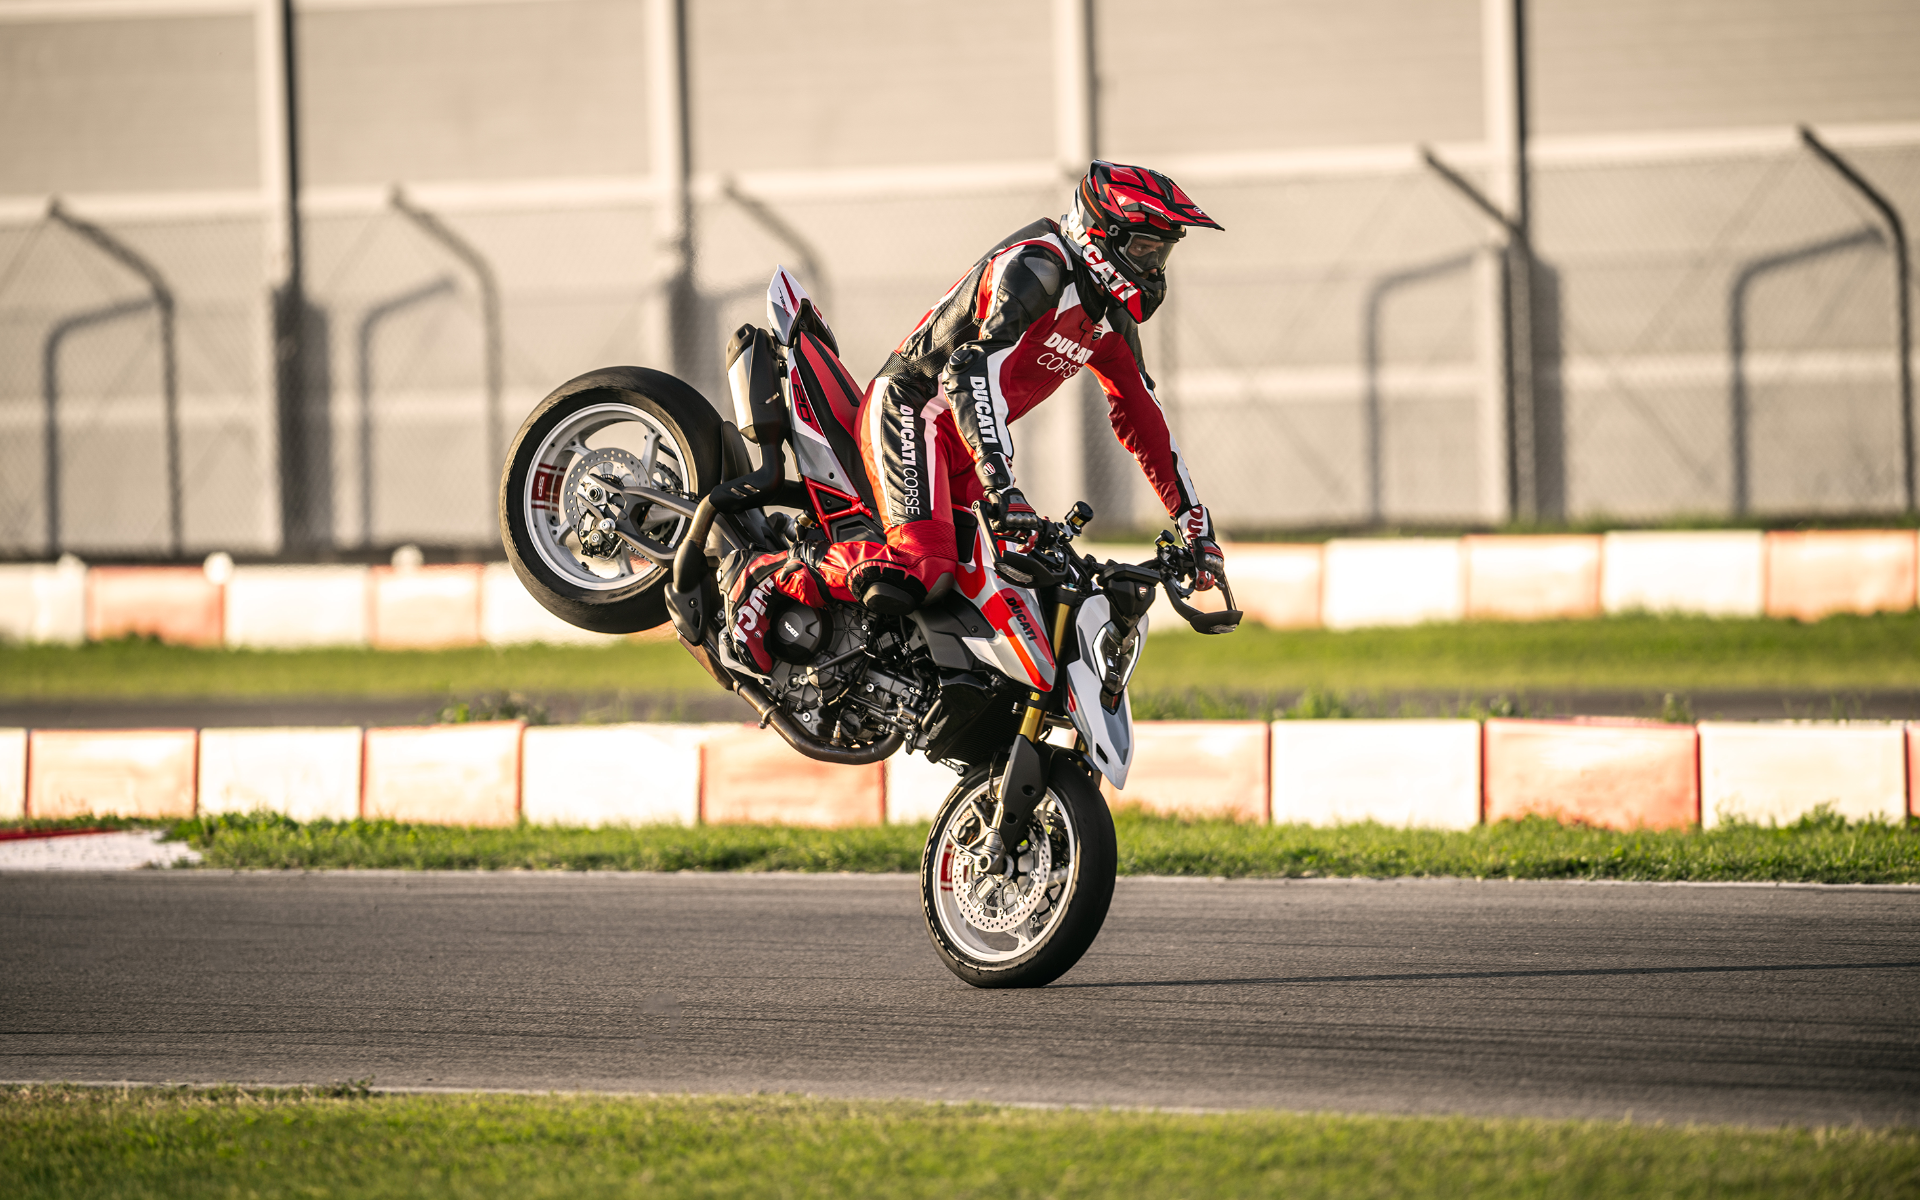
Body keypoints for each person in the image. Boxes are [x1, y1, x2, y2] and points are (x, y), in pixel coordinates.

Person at [727, 161, 1226, 673]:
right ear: (1104, 236)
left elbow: (1142, 417)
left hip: (965, 439)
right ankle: (774, 572)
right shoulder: (1039, 267)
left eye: (1163, 251)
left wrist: (1195, 525)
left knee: (1020, 580)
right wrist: (1000, 483)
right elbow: (968, 372)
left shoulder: (1110, 314)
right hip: (913, 408)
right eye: (1145, 248)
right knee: (923, 564)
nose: (1154, 266)